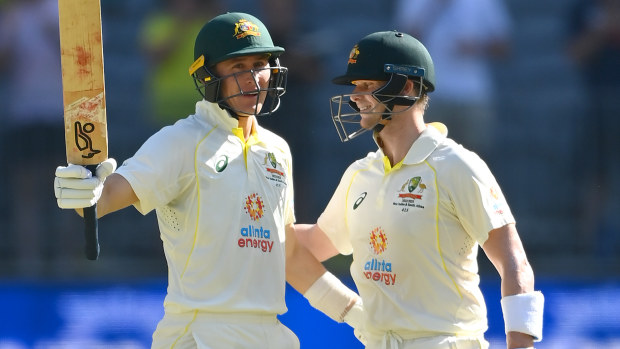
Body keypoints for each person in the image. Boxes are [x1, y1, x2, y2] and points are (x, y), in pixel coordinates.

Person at [53, 12, 363, 348]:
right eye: (237, 68)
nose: (253, 79)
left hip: (269, 335)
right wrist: (87, 190)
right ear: (208, 75)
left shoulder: (277, 150)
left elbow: (286, 254)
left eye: (260, 64)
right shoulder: (182, 142)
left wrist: (355, 312)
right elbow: (106, 198)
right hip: (200, 333)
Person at [295, 31, 544, 349]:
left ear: (407, 87)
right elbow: (315, 243)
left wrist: (520, 345)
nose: (355, 95)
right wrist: (242, 230)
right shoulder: (360, 174)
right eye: (355, 87)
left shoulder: (456, 165)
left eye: (367, 85)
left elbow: (514, 262)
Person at [393, 0, 512, 160]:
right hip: (429, 94)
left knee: (473, 162)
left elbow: (504, 46)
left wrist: (476, 47)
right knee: (428, 162)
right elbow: (401, 42)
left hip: (473, 96)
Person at [567, 0, 620, 256]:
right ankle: (590, 248)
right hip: (598, 105)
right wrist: (604, 27)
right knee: (595, 174)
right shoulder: (582, 8)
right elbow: (575, 52)